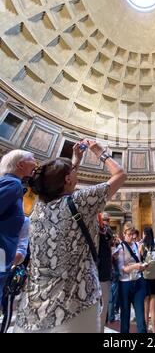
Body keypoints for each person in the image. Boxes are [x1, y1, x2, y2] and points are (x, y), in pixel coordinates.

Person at [14, 140, 126, 333]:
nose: (76, 172)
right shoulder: (80, 202)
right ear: (67, 179)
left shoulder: (37, 208)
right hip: (75, 306)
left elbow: (59, 179)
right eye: (73, 172)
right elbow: (120, 174)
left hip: (34, 308)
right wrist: (100, 153)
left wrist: (75, 161)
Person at [0, 150, 36, 310]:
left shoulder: (13, 184)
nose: (36, 163)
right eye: (32, 159)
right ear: (21, 164)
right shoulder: (13, 184)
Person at [117, 223, 147, 334]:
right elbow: (122, 269)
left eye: (133, 234)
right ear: (124, 234)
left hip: (138, 281)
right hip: (125, 284)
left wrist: (142, 267)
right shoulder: (120, 248)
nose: (132, 237)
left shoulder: (135, 245)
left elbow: (138, 261)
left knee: (140, 315)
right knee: (125, 315)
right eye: (129, 234)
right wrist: (135, 266)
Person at [139, 227, 155, 334]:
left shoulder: (142, 245)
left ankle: (145, 331)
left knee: (146, 310)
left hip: (145, 278)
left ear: (144, 234)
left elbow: (139, 260)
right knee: (153, 310)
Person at [98, 212, 114, 333]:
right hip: (96, 272)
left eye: (108, 220)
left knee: (104, 306)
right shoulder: (97, 232)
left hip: (105, 274)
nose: (106, 222)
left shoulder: (107, 232)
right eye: (104, 220)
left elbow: (109, 238)